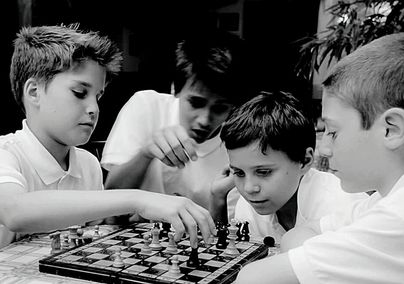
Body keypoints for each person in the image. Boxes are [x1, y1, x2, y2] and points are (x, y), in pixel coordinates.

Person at [0, 25, 216, 284]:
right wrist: (138, 199)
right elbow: (15, 212)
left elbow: (92, 233)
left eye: (98, 96)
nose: (93, 108)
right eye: (80, 93)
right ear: (34, 92)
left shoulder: (87, 164)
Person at [235, 33, 404, 283]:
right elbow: (305, 232)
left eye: (333, 132)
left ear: (391, 129)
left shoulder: (397, 217)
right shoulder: (382, 200)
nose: (324, 149)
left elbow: (253, 278)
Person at [101, 29, 254, 219]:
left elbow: (228, 231)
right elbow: (111, 202)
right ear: (176, 88)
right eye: (196, 103)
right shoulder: (146, 106)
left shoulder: (238, 141)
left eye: (220, 108)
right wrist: (146, 153)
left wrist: (218, 198)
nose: (204, 120)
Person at [212, 91, 366, 243]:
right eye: (239, 173)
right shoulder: (247, 208)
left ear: (305, 160)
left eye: (263, 172)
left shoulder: (346, 210)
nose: (249, 188)